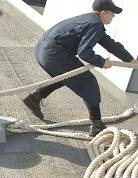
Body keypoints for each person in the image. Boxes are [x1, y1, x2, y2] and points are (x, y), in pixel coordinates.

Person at [23, 0, 137, 137]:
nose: (114, 16)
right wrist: (102, 62)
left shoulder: (90, 19)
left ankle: (35, 97)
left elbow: (109, 43)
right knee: (88, 82)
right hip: (54, 53)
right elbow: (84, 52)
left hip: (43, 49)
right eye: (112, 13)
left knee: (69, 76)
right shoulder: (95, 24)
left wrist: (130, 60)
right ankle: (96, 124)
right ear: (104, 12)